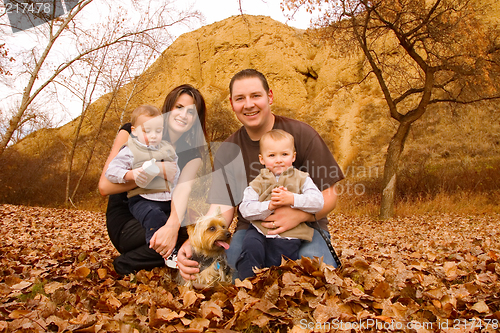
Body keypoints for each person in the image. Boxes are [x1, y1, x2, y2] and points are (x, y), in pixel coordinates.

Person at [177, 69, 345, 282]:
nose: (248, 104)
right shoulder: (228, 149)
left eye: (256, 96)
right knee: (234, 277)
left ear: (270, 97)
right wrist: (195, 240)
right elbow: (222, 208)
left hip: (306, 229)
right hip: (251, 230)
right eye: (240, 98)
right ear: (232, 104)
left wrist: (301, 215)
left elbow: (329, 195)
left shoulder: (302, 134)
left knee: (313, 277)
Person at [98, 84, 207, 275]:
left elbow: (181, 193)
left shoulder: (192, 155)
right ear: (169, 107)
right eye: (179, 107)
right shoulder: (136, 130)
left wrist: (173, 226)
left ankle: (158, 258)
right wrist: (157, 170)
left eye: (191, 112)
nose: (183, 115)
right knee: (181, 234)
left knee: (200, 232)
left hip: (164, 213)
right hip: (128, 220)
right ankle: (129, 263)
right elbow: (105, 186)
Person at [237, 129, 324, 279]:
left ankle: (275, 289)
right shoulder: (258, 182)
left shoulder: (302, 179)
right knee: (250, 249)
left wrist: (293, 199)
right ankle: (247, 287)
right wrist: (268, 206)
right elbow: (245, 208)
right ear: (262, 159)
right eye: (272, 155)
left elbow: (318, 202)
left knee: (279, 264)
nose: (278, 160)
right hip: (259, 229)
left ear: (293, 156)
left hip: (288, 235)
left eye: (284, 154)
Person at [105, 105, 179, 245]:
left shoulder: (167, 149)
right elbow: (111, 171)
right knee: (154, 217)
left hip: (168, 199)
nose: (153, 135)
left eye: (158, 131)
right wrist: (130, 174)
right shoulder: (130, 150)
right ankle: (160, 248)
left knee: (183, 221)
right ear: (134, 131)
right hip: (142, 199)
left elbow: (176, 173)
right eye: (147, 131)